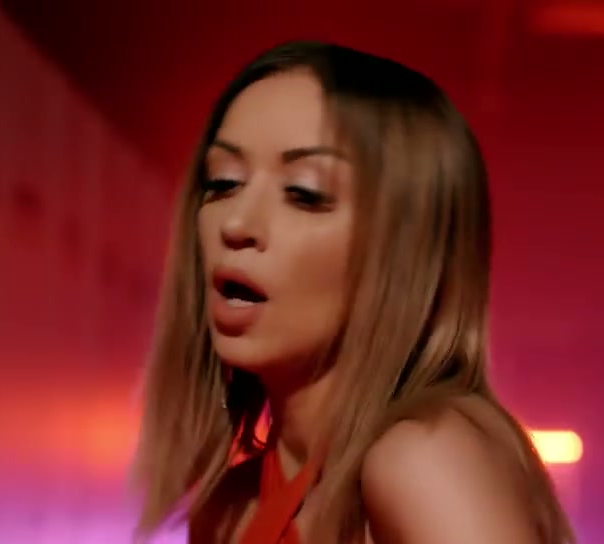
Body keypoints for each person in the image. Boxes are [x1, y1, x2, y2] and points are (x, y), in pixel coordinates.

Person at [131, 40, 574, 544]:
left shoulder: (422, 458)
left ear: (407, 245)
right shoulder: (227, 510)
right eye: (223, 183)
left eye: (304, 193)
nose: (236, 224)